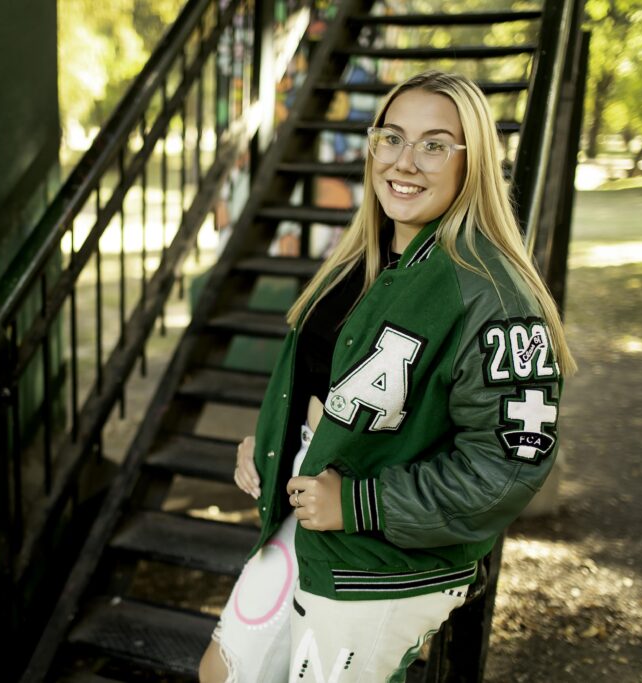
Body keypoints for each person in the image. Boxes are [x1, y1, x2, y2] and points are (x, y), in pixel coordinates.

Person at [198, 70, 576, 683]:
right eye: (392, 137)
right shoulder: (365, 257)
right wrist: (274, 445)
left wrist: (358, 503)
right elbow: (334, 394)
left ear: (470, 161)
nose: (406, 161)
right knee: (223, 674)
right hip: (306, 528)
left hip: (381, 563)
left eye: (434, 144)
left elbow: (507, 466)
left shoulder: (493, 296)